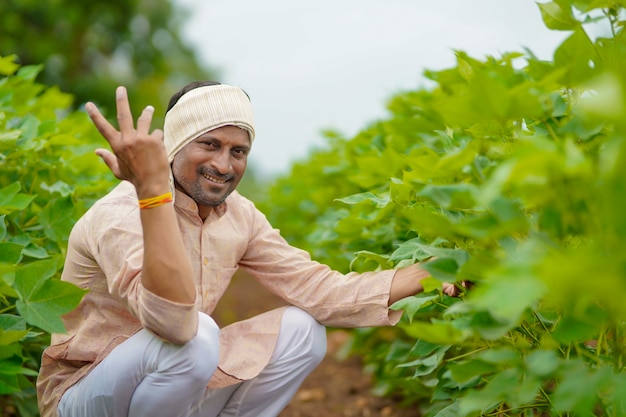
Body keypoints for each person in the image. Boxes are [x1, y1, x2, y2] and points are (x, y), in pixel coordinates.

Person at [36, 81, 462, 417]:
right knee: (198, 335)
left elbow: (320, 291)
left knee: (302, 330)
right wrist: (152, 192)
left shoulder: (239, 216)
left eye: (238, 151)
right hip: (85, 394)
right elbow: (173, 323)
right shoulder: (121, 212)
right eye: (210, 144)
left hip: (169, 387)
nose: (224, 165)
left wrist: (431, 270)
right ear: (175, 147)